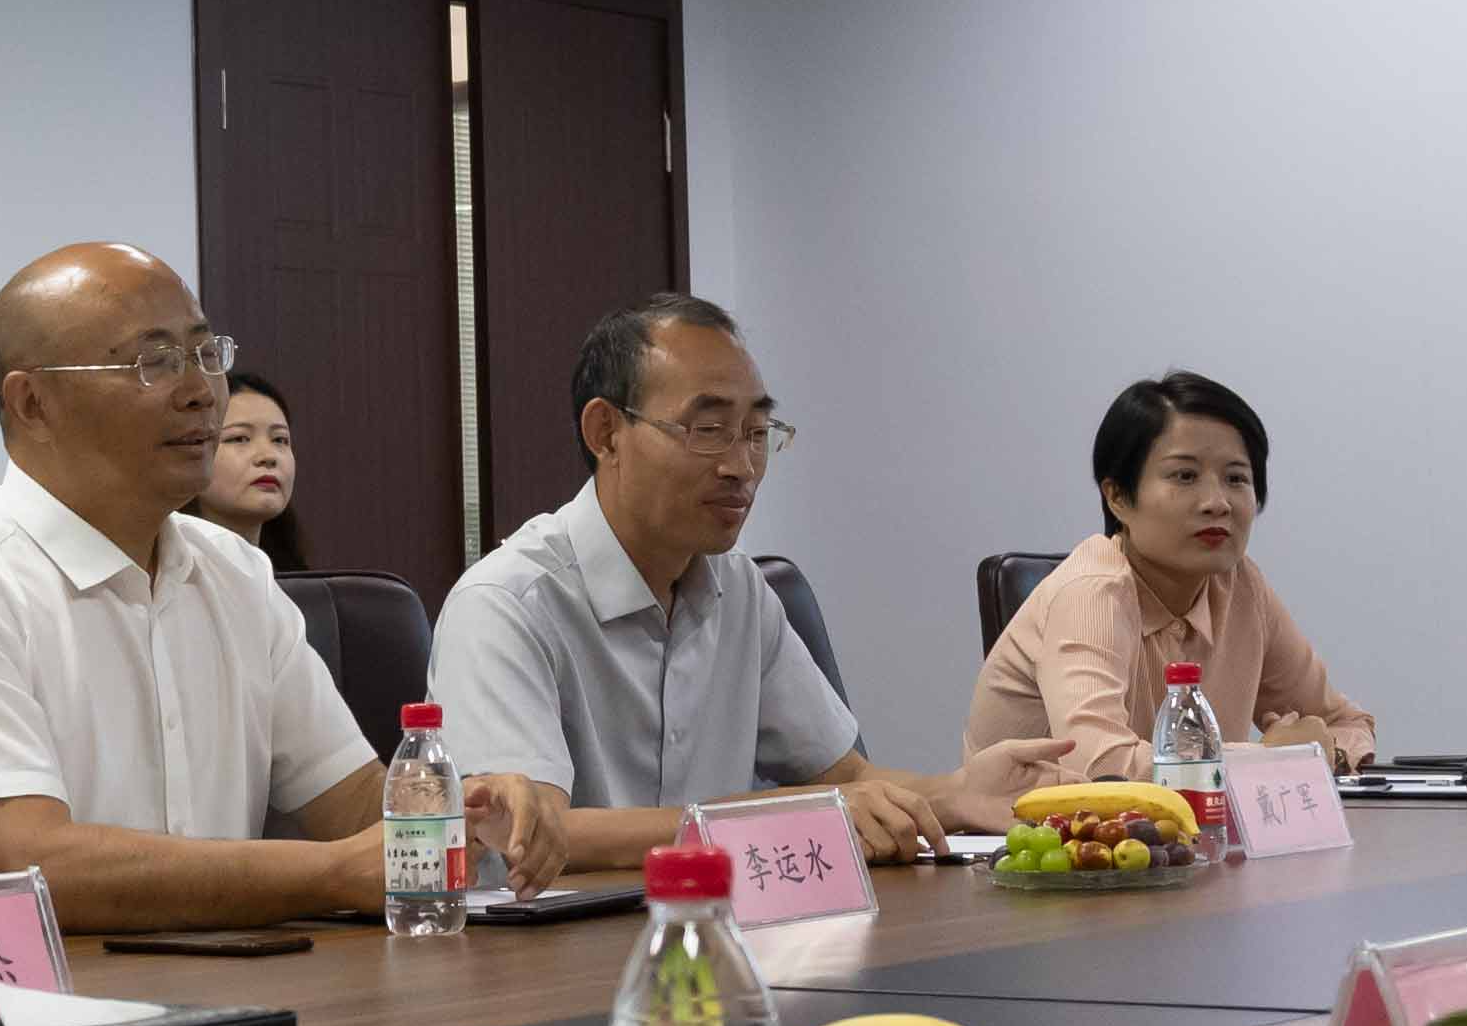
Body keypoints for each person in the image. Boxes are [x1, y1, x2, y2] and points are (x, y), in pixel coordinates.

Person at [0, 243, 430, 925]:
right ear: (33, 403)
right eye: (154, 362)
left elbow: (356, 807)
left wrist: (457, 808)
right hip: (8, 992)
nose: (201, 392)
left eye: (206, 354)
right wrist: (333, 874)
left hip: (236, 979)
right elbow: (33, 867)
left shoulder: (235, 573)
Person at [427, 293, 945, 874]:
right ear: (606, 433)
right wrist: (791, 816)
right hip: (566, 931)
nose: (741, 467)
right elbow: (532, 834)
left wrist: (968, 794)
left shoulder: (740, 588)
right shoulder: (505, 604)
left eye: (756, 433)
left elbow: (848, 778)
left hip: (714, 921)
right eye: (709, 429)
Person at [951, 371, 1377, 834]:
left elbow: (1345, 722)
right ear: (1117, 496)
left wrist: (1326, 752)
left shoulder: (1241, 586)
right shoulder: (1090, 592)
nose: (1217, 502)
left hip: (1178, 852)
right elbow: (1102, 768)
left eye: (1236, 478)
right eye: (1185, 476)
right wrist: (1274, 760)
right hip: (1037, 857)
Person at [198, 367, 312, 570]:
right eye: (239, 438)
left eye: (279, 440)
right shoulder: (163, 577)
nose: (268, 457)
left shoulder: (294, 583)